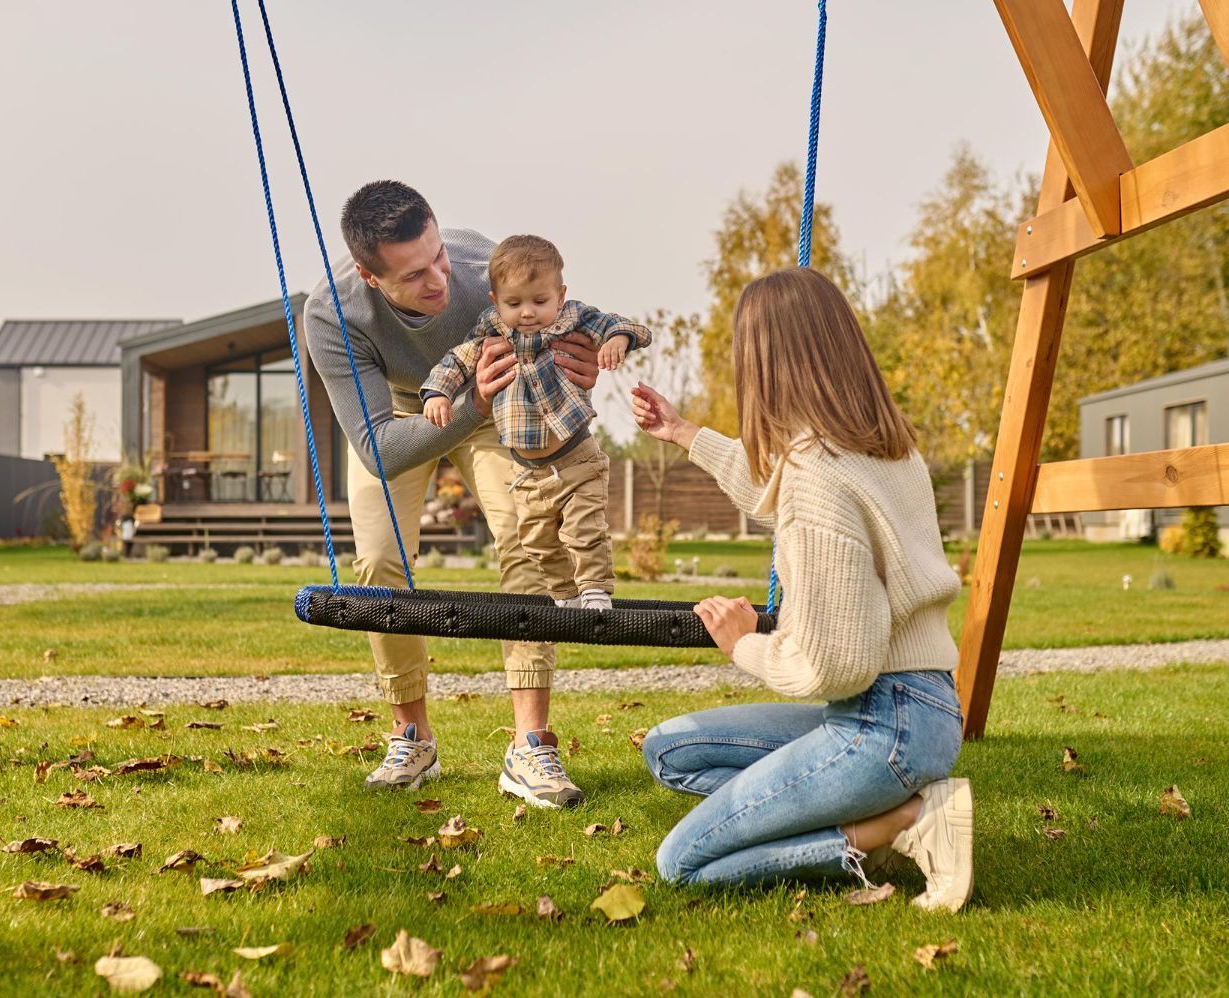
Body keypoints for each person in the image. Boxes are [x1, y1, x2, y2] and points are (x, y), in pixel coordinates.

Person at [630, 267, 973, 911]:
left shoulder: (819, 473)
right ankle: (845, 808)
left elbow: (835, 665)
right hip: (923, 708)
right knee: (670, 750)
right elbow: (780, 490)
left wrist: (744, 645)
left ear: (762, 364)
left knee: (683, 863)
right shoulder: (886, 448)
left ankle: (898, 824)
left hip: (879, 729)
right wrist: (684, 435)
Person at [302, 181, 597, 808]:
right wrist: (465, 406)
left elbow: (555, 325)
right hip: (398, 419)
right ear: (369, 274)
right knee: (380, 560)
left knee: (526, 533)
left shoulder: (478, 268)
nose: (438, 279)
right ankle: (412, 734)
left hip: (496, 406)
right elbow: (378, 451)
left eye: (437, 255)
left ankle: (529, 743)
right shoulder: (333, 315)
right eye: (414, 274)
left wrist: (580, 360)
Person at [420, 234, 651, 611]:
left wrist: (617, 340)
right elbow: (456, 361)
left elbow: (617, 324)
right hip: (527, 474)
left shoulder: (573, 317)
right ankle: (566, 595)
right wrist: (438, 393)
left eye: (540, 301)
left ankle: (593, 588)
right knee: (536, 542)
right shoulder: (490, 331)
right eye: (514, 303)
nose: (527, 312)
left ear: (560, 296)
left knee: (583, 529)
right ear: (495, 302)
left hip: (577, 458)